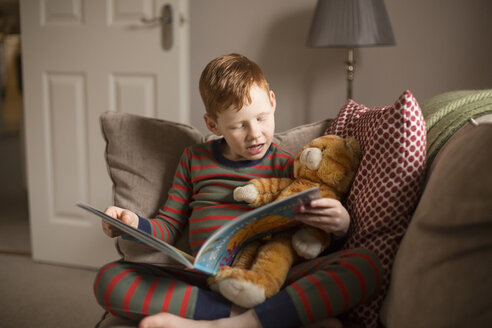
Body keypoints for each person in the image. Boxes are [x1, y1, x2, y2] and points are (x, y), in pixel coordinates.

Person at [95, 54, 382, 328]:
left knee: (365, 265)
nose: (255, 133)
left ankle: (237, 322)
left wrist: (340, 224)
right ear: (212, 124)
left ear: (272, 101)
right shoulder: (194, 159)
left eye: (261, 118)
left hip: (271, 277)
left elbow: (312, 239)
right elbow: (168, 226)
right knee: (110, 279)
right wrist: (132, 223)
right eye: (238, 126)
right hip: (206, 278)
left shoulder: (288, 165)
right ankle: (270, 317)